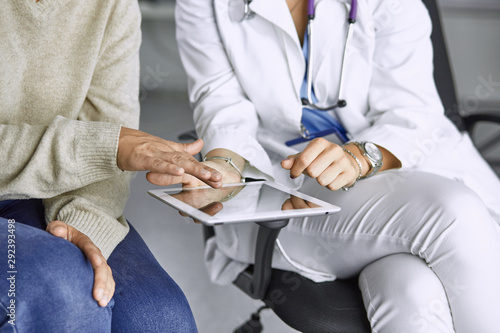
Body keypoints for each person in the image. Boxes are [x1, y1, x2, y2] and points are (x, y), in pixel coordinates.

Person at [175, 0, 500, 331]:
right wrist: (226, 163)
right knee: (455, 214)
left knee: (409, 287)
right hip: (292, 189)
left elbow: (413, 110)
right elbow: (220, 100)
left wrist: (358, 157)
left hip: (411, 165)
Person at [0, 0, 222, 332]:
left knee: (160, 318)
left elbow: (107, 152)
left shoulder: (112, 5)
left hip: (44, 197)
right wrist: (104, 146)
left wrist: (80, 228)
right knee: (62, 288)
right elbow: (107, 145)